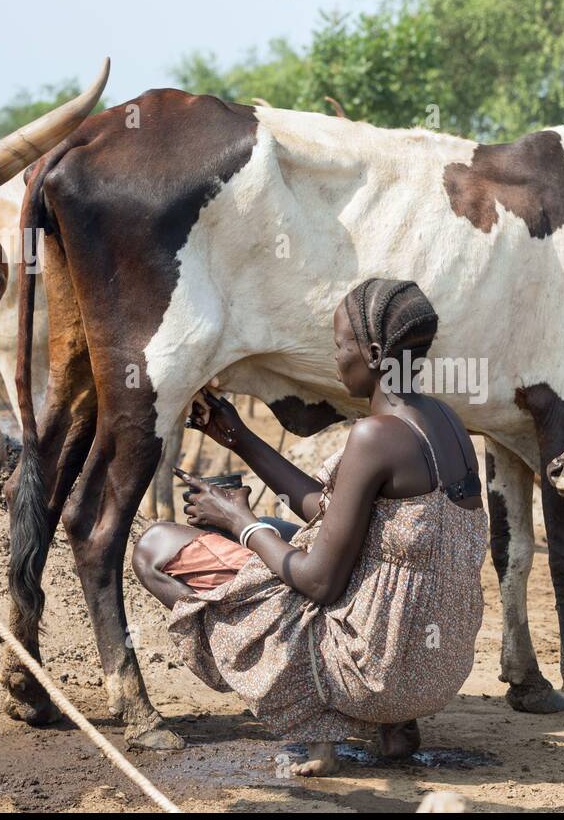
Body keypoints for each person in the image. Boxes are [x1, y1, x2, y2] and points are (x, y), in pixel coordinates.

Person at [131, 279, 488, 777]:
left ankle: (315, 711)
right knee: (285, 528)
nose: (335, 357)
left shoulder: (374, 436)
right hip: (436, 670)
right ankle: (395, 726)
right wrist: (239, 438)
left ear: (375, 352)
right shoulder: (443, 421)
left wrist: (240, 520)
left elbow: (321, 582)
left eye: (340, 345)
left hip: (372, 673)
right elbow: (334, 509)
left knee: (154, 547)